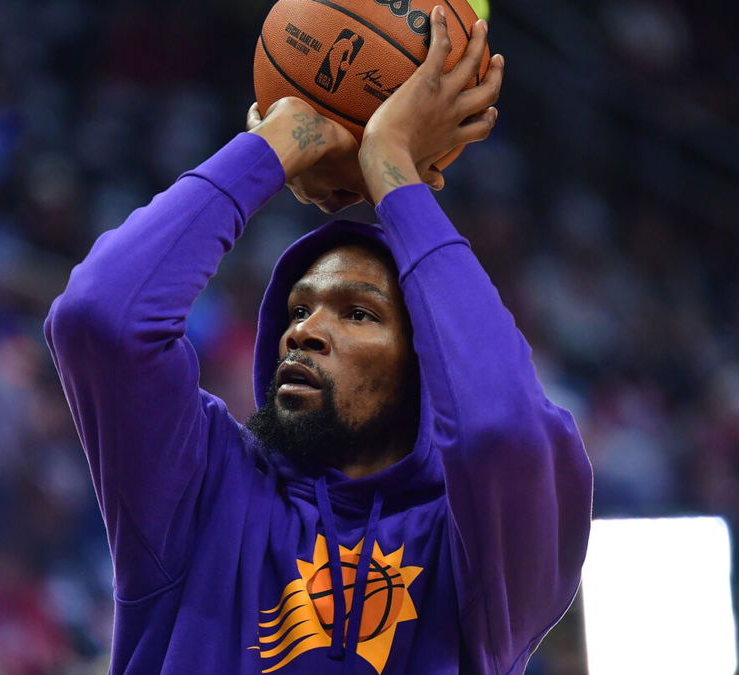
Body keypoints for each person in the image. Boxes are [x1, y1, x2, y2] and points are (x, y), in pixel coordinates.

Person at [44, 8, 593, 674]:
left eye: (358, 313)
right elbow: (101, 316)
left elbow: (500, 428)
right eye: (298, 308)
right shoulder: (203, 493)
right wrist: (282, 139)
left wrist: (395, 171)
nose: (304, 329)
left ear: (428, 366)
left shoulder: (476, 560)